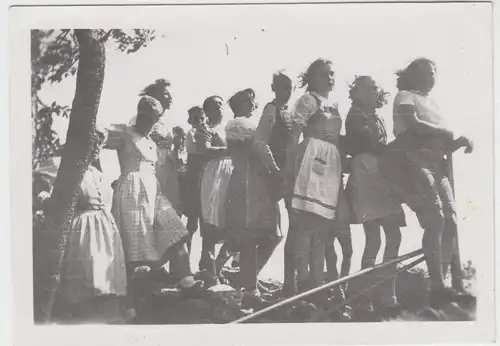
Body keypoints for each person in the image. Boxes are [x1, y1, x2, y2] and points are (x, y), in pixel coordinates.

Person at [379, 58, 475, 308]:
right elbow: (413, 126)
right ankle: (438, 285)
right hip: (411, 159)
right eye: (426, 73)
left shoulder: (433, 103)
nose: (431, 78)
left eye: (433, 73)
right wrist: (444, 134)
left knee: (451, 220)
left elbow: (440, 139)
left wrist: (457, 141)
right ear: (413, 75)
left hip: (436, 162)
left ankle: (441, 287)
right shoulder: (404, 96)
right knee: (436, 219)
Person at [106, 85, 203, 322]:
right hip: (131, 193)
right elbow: (96, 137)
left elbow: (173, 162)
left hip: (154, 190)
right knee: (133, 250)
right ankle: (130, 306)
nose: (147, 121)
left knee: (175, 229)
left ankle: (186, 280)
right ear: (138, 114)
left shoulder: (153, 141)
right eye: (144, 116)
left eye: (152, 118)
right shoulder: (125, 134)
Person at [41, 129, 128, 324]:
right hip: (82, 229)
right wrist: (47, 201)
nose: (96, 148)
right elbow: (38, 183)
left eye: (99, 144)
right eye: (92, 142)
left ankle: (105, 316)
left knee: (107, 279)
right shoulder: (65, 166)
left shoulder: (97, 173)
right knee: (87, 277)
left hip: (106, 230)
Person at [344, 75, 406, 316]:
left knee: (393, 234)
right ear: (356, 92)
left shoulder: (377, 116)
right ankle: (364, 297)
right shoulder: (355, 115)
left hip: (381, 174)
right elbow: (367, 142)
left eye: (374, 89)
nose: (372, 93)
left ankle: (387, 292)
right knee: (374, 238)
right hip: (365, 172)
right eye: (367, 89)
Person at [283, 58, 344, 298]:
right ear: (312, 77)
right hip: (310, 160)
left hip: (331, 163)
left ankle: (318, 283)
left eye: (332, 74)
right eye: (324, 74)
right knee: (305, 224)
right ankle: (303, 279)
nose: (330, 78)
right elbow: (294, 137)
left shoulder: (334, 104)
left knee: (322, 226)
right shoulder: (308, 100)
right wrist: (290, 170)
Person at [224, 88, 280, 307]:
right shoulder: (237, 124)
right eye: (248, 100)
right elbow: (254, 147)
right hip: (246, 180)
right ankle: (250, 288)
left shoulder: (251, 125)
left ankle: (248, 278)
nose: (252, 103)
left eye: (252, 100)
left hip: (259, 182)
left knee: (271, 235)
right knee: (250, 237)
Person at [197, 96, 234, 281]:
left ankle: (217, 267)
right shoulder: (205, 129)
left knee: (233, 223)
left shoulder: (228, 128)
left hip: (231, 174)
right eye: (215, 105)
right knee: (211, 224)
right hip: (214, 175)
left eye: (221, 104)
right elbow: (204, 150)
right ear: (208, 110)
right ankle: (211, 273)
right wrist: (229, 151)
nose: (220, 107)